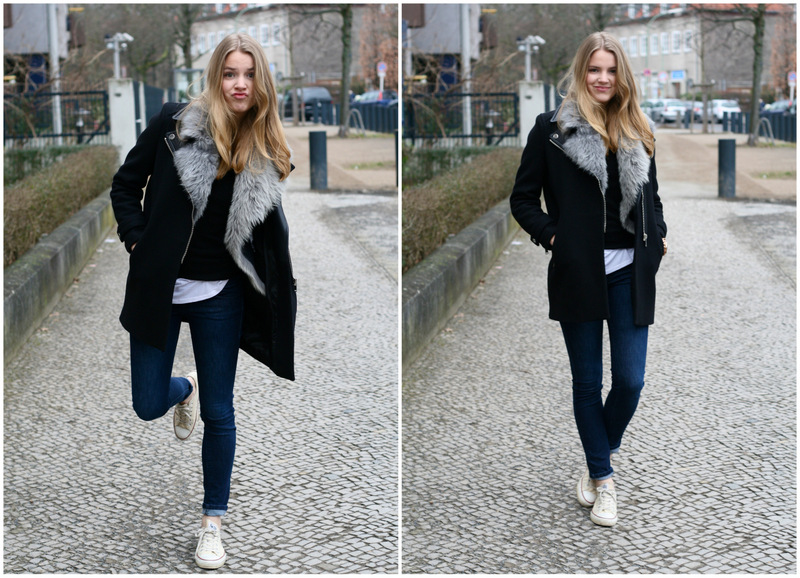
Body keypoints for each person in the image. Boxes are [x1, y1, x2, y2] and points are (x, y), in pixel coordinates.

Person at [110, 34, 296, 568]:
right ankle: (183, 387)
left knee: (220, 412)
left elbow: (267, 239)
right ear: (216, 76)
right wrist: (137, 240)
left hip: (221, 295)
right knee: (147, 403)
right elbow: (125, 185)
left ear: (261, 82)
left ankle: (212, 522)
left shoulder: (266, 149)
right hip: (160, 290)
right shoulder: (174, 124)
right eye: (230, 73)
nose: (239, 84)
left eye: (249, 74)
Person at [510, 32, 667, 527]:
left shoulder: (639, 128)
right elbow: (522, 200)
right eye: (594, 69)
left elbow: (652, 198)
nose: (603, 78)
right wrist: (554, 238)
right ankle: (603, 479)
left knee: (631, 381)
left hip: (629, 272)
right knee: (587, 382)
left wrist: (659, 235)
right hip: (578, 270)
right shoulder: (551, 129)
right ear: (581, 72)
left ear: (622, 75)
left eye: (611, 70)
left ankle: (599, 451)